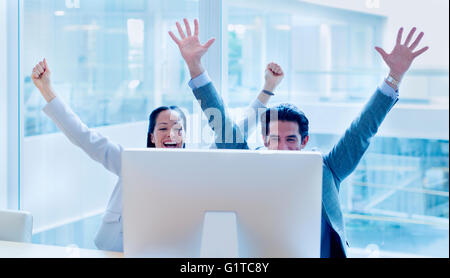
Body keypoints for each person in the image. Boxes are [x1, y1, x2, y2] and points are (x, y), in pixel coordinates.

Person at [169, 19, 429, 257]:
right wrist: (195, 66)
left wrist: (394, 77)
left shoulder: (326, 168)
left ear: (304, 141)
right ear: (263, 137)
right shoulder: (248, 162)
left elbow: (362, 130)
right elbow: (221, 123)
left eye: (290, 140)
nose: (281, 147)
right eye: (273, 138)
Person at [30, 29, 283, 251]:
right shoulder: (131, 161)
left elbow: (232, 134)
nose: (171, 134)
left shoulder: (198, 163)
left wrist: (267, 89)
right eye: (163, 128)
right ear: (152, 136)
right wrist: (47, 91)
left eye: (178, 128)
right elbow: (84, 137)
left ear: (185, 136)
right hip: (120, 249)